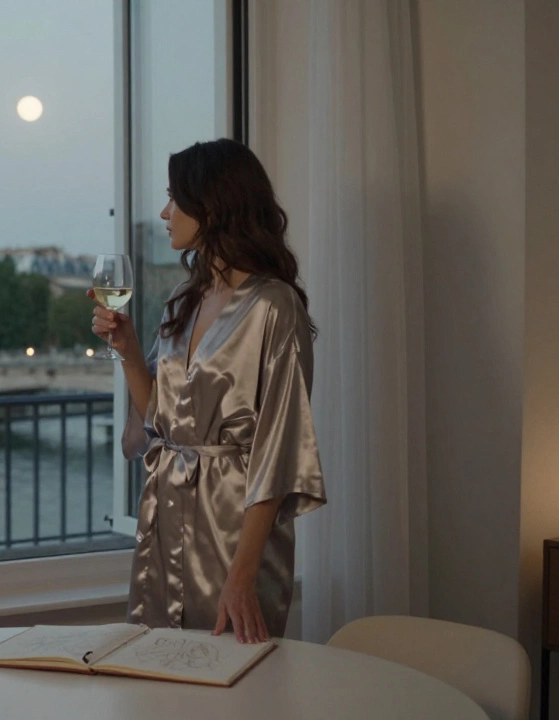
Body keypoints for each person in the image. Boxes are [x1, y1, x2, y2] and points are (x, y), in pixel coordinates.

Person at [90, 138, 326, 644]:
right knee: (157, 669)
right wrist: (130, 350)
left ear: (213, 205)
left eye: (176, 198)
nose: (164, 211)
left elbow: (278, 450)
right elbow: (160, 415)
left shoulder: (274, 306)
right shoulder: (185, 298)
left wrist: (241, 575)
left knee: (232, 680)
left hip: (233, 531)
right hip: (166, 514)